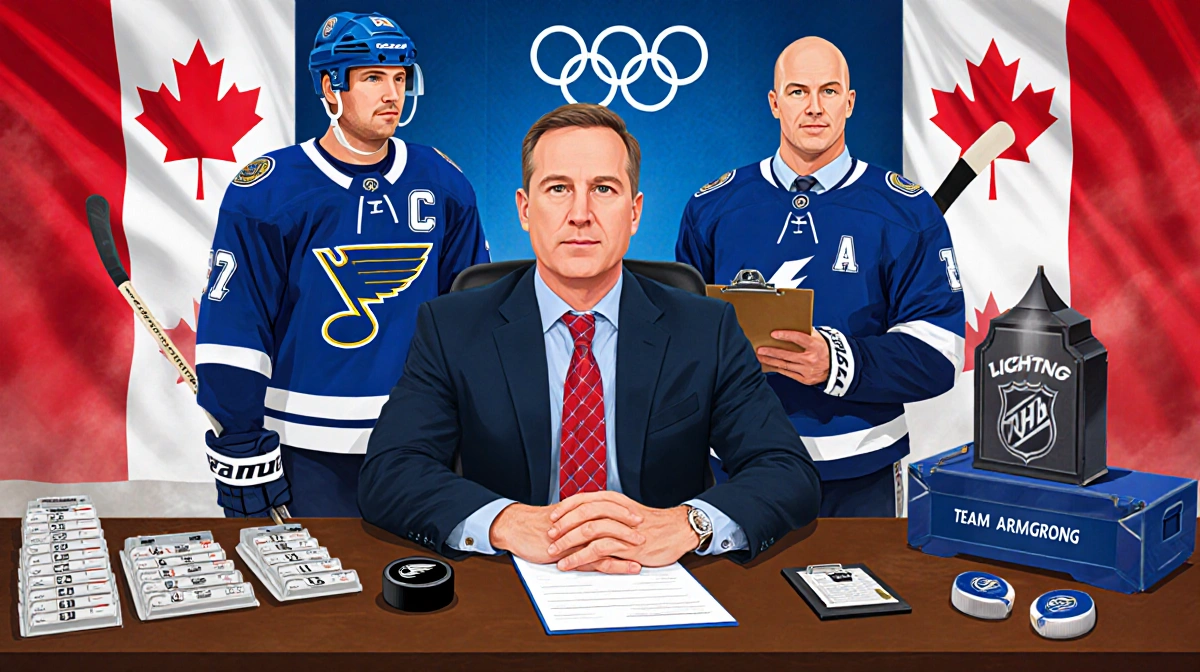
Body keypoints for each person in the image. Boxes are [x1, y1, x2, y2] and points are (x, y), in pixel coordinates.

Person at [359, 104, 820, 572]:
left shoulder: (707, 329)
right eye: (558, 189)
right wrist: (506, 522)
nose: (580, 214)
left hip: (661, 581)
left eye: (603, 189)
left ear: (635, 212)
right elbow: (390, 472)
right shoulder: (451, 327)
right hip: (511, 581)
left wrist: (688, 524)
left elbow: (787, 472)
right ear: (524, 209)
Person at [195, 12, 489, 518]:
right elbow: (235, 329)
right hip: (303, 448)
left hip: (418, 441)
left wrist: (475, 422)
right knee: (317, 595)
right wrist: (241, 440)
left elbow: (471, 319)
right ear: (331, 87)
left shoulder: (443, 182)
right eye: (373, 78)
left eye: (400, 78)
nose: (392, 94)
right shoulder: (268, 190)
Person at [676, 37, 965, 517]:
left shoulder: (907, 211)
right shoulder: (712, 207)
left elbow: (939, 355)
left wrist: (837, 362)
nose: (814, 107)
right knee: (742, 596)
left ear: (849, 102)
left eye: (829, 91)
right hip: (737, 465)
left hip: (860, 475)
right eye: (797, 92)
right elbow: (681, 339)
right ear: (774, 103)